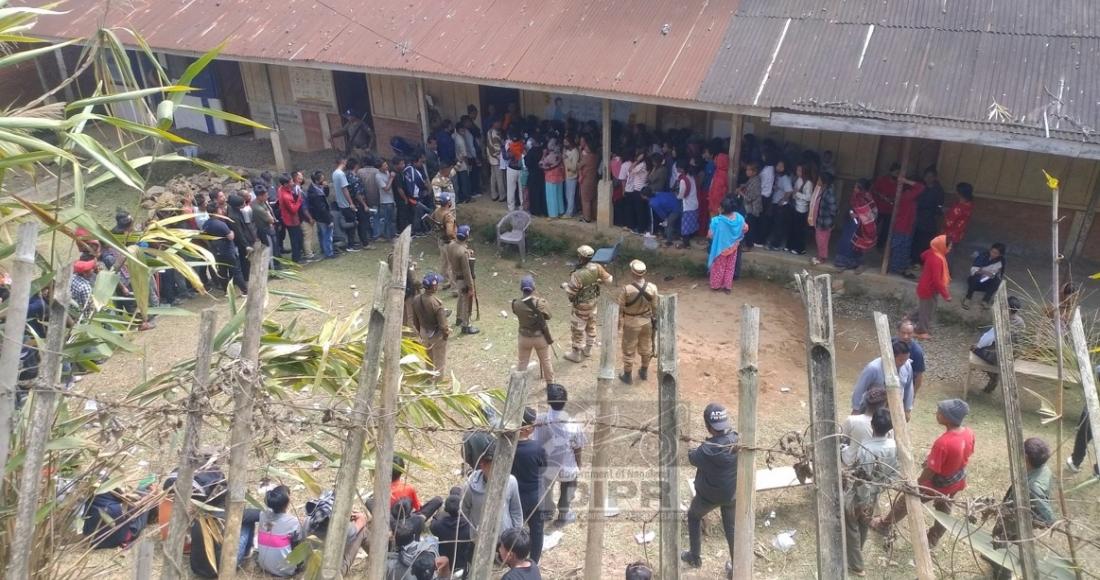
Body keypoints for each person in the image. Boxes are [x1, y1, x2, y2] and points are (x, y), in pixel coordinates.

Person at [874, 399, 974, 547]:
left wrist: (916, 484)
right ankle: (933, 538)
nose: (937, 413)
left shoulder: (943, 443)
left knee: (905, 500)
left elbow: (931, 471)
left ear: (947, 418)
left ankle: (884, 525)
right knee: (944, 508)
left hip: (938, 484)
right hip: (956, 481)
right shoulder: (968, 433)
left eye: (940, 412)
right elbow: (968, 453)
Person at [681, 403, 738, 573]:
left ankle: (695, 557)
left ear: (708, 426)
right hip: (732, 494)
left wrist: (689, 443)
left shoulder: (707, 450)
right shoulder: (737, 439)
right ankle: (737, 568)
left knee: (693, 515)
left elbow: (692, 457)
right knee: (731, 529)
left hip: (708, 497)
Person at [843, 408, 898, 577]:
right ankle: (857, 550)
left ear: (872, 425)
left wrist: (861, 503)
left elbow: (863, 479)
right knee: (864, 523)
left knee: (852, 523)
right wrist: (881, 486)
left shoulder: (866, 448)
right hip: (876, 492)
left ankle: (856, 565)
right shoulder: (894, 446)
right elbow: (895, 472)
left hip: (861, 494)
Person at [534, 383, 586, 526]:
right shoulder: (573, 425)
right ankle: (563, 514)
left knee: (545, 487)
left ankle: (546, 511)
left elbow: (536, 441)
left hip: (546, 466)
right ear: (565, 401)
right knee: (569, 486)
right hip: (566, 467)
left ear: (548, 401)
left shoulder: (541, 420)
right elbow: (578, 448)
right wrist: (578, 464)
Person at [561, 245, 613, 362]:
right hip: (593, 303)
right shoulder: (598, 267)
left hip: (581, 306)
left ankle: (576, 354)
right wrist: (597, 281)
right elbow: (609, 280)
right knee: (591, 325)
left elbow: (571, 293)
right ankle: (588, 350)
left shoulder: (577, 274)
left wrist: (565, 286)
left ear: (580, 257)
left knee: (577, 329)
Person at [460, 443, 524, 537]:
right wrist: (475, 530)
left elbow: (515, 510)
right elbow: (464, 511)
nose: (499, 473)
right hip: (480, 540)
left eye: (502, 468)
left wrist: (515, 534)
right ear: (483, 465)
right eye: (494, 469)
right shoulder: (470, 487)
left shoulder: (511, 482)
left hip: (505, 538)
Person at [301, 490, 370, 576]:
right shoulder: (340, 530)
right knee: (362, 531)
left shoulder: (307, 521)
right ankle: (378, 556)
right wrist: (359, 516)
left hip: (312, 571)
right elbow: (362, 521)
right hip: (332, 574)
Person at [511, 408, 548, 562]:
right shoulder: (537, 448)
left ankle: (515, 557)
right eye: (533, 424)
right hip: (535, 496)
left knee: (515, 529)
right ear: (526, 428)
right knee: (537, 530)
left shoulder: (508, 447)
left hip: (514, 496)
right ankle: (534, 560)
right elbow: (544, 468)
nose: (535, 427)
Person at [970, 296, 1025, 393]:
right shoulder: (1020, 321)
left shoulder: (1003, 321)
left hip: (1000, 356)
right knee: (988, 347)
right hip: (1013, 354)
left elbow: (988, 338)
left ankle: (993, 376)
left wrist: (977, 345)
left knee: (975, 349)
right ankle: (993, 376)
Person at [851, 340, 915, 421]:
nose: (904, 363)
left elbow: (909, 388)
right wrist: (856, 409)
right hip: (872, 409)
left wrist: (907, 409)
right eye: (901, 360)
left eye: (906, 359)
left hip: (894, 409)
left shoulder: (907, 365)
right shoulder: (873, 368)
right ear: (891, 357)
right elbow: (860, 389)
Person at [618, 260, 658, 384]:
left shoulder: (627, 290)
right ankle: (644, 371)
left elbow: (620, 307)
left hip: (631, 322)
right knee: (646, 348)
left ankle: (627, 375)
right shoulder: (652, 287)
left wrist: (619, 323)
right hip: (647, 322)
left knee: (628, 349)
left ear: (632, 273)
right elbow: (655, 306)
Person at [513, 275, 554, 384]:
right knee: (546, 361)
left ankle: (519, 385)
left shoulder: (515, 303)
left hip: (524, 337)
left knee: (522, 362)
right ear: (534, 288)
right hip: (540, 337)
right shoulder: (540, 303)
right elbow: (549, 316)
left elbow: (516, 313)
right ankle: (550, 384)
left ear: (521, 288)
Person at [910, 234, 952, 338]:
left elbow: (923, 255)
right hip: (929, 288)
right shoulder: (937, 259)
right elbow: (937, 280)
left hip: (925, 286)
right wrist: (946, 295)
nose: (950, 248)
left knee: (924, 307)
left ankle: (908, 319)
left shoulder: (932, 253)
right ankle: (921, 331)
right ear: (943, 246)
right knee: (927, 310)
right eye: (949, 246)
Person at [82, 488, 151, 549]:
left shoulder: (90, 506)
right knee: (144, 510)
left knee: (141, 494)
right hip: (118, 538)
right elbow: (133, 508)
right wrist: (148, 497)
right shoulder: (113, 509)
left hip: (95, 542)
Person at [256, 485, 301, 576]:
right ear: (287, 502)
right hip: (284, 571)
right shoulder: (292, 521)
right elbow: (297, 541)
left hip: (264, 565)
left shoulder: (262, 514)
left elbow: (271, 528)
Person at [833, 178, 878, 270]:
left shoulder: (867, 198)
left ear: (861, 188)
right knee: (846, 241)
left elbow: (873, 213)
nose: (854, 189)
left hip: (860, 226)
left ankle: (853, 262)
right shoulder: (855, 196)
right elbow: (851, 207)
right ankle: (842, 262)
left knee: (854, 243)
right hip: (851, 222)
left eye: (856, 187)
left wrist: (858, 216)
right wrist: (851, 212)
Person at [411, 273, 450, 379]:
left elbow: (415, 321)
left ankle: (428, 378)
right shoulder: (437, 303)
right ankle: (438, 382)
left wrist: (419, 333)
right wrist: (446, 335)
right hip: (437, 335)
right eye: (436, 284)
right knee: (439, 361)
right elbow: (443, 326)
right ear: (433, 287)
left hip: (424, 332)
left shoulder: (416, 299)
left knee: (428, 358)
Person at [707, 197, 748, 293]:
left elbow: (710, 234)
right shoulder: (739, 217)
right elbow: (745, 228)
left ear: (722, 209)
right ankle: (727, 287)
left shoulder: (717, 220)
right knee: (730, 267)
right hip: (734, 247)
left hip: (720, 249)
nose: (718, 209)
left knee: (719, 267)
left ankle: (716, 285)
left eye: (719, 207)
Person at [886, 175, 924, 276]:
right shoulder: (907, 196)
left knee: (903, 248)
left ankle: (900, 268)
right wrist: (906, 180)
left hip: (906, 227)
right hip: (902, 227)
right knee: (899, 248)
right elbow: (921, 187)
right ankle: (896, 268)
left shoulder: (907, 196)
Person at [840, 387, 888, 466]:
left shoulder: (852, 420)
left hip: (849, 461)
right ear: (883, 405)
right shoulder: (887, 425)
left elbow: (839, 437)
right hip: (872, 465)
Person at [445, 225, 479, 335]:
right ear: (466, 236)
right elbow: (467, 271)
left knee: (460, 298)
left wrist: (467, 251)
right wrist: (471, 287)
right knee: (466, 301)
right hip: (463, 278)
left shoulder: (451, 245)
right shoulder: (463, 252)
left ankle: (458, 318)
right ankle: (466, 325)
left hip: (455, 276)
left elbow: (458, 250)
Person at [431, 490, 473, 576]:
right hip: (462, 563)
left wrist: (439, 513)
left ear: (446, 509)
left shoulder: (438, 525)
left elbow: (432, 526)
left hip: (445, 562)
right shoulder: (469, 526)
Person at [911, 168, 945, 267]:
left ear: (935, 178)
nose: (928, 179)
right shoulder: (921, 186)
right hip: (918, 217)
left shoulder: (938, 190)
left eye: (930, 177)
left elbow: (939, 206)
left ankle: (921, 261)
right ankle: (914, 259)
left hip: (929, 219)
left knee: (925, 241)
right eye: (926, 176)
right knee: (916, 239)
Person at [332, 157, 363, 251]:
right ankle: (351, 245)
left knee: (349, 223)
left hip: (340, 203)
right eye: (345, 162)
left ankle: (351, 243)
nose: (346, 164)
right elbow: (345, 189)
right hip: (346, 204)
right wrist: (351, 203)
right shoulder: (341, 174)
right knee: (352, 223)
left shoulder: (334, 173)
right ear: (343, 161)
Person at [963, 243, 1006, 309]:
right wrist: (985, 272)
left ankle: (985, 301)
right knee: (976, 278)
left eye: (996, 253)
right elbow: (974, 270)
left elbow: (996, 273)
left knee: (997, 281)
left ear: (1000, 255)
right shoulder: (983, 256)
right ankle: (968, 298)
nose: (993, 254)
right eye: (992, 251)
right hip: (975, 281)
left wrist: (986, 272)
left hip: (986, 283)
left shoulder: (1001, 261)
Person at [808, 172, 838, 265]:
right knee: (819, 238)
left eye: (819, 179)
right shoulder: (823, 190)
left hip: (825, 222)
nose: (818, 181)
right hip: (820, 220)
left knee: (823, 240)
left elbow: (834, 208)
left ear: (824, 182)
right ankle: (820, 255)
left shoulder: (829, 193)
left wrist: (830, 219)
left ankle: (822, 258)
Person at [765, 159, 794, 251]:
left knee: (779, 225)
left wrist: (783, 200)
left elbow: (789, 191)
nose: (778, 168)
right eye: (778, 165)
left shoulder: (785, 178)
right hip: (775, 202)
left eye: (781, 166)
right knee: (775, 224)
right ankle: (773, 243)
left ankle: (776, 245)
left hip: (781, 205)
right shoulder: (778, 176)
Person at [787, 163, 815, 255]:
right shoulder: (799, 179)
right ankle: (790, 245)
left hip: (802, 208)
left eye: (799, 170)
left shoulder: (809, 183)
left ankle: (800, 249)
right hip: (795, 205)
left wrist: (797, 194)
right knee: (793, 228)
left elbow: (809, 197)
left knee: (800, 230)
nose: (797, 172)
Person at [429, 193, 457, 286]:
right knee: (452, 265)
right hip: (449, 242)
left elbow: (430, 220)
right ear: (448, 202)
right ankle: (455, 288)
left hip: (440, 240)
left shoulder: (437, 211)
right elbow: (449, 232)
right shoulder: (448, 215)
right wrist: (456, 239)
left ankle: (445, 282)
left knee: (444, 263)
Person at [871, 162, 901, 249]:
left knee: (886, 230)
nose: (897, 175)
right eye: (896, 172)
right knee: (873, 227)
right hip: (879, 208)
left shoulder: (899, 184)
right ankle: (868, 243)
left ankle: (880, 246)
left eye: (898, 173)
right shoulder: (882, 180)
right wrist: (882, 196)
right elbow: (874, 190)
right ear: (891, 172)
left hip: (890, 210)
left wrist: (894, 199)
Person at [276, 174, 304, 263]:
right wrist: (299, 199)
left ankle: (298, 256)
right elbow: (293, 209)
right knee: (295, 239)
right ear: (285, 184)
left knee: (297, 237)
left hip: (287, 218)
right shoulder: (286, 196)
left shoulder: (281, 189)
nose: (292, 183)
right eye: (291, 182)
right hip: (292, 220)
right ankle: (296, 259)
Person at [307, 170, 335, 259]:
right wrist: (329, 220)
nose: (324, 180)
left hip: (320, 216)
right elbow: (321, 208)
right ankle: (329, 253)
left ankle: (325, 250)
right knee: (327, 235)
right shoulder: (315, 193)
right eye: (322, 179)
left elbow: (325, 195)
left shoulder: (316, 188)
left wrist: (326, 187)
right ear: (316, 181)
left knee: (323, 234)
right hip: (322, 217)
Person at [676, 161, 701, 247]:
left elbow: (682, 194)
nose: (676, 169)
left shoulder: (683, 180)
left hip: (688, 204)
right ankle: (692, 237)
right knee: (692, 223)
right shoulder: (691, 176)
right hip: (694, 203)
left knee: (685, 225)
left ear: (681, 169)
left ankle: (685, 243)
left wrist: (677, 196)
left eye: (677, 168)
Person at [738, 161, 763, 249]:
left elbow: (750, 198)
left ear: (755, 172)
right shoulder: (752, 179)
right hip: (748, 207)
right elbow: (748, 185)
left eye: (749, 170)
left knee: (749, 227)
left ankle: (749, 245)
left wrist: (741, 193)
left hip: (751, 208)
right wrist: (743, 186)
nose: (747, 171)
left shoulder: (756, 181)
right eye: (747, 169)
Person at [541, 138, 565, 218]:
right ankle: (561, 211)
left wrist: (543, 155)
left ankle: (553, 214)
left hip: (550, 178)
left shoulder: (549, 157)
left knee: (551, 196)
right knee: (559, 195)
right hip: (559, 177)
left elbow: (541, 164)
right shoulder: (560, 154)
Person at [578, 136, 598, 222]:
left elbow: (578, 166)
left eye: (586, 146)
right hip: (593, 180)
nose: (585, 147)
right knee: (593, 199)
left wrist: (580, 152)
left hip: (586, 180)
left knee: (585, 200)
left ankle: (587, 218)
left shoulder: (587, 157)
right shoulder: (596, 156)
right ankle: (594, 216)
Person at [487, 118, 505, 201]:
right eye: (499, 122)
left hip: (491, 157)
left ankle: (494, 194)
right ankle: (502, 195)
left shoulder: (489, 131)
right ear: (495, 122)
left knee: (493, 177)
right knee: (499, 177)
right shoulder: (495, 133)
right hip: (496, 158)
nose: (500, 124)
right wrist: (500, 158)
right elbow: (497, 148)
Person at [563, 137, 580, 217]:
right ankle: (572, 210)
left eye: (566, 142)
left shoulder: (575, 152)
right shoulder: (567, 151)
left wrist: (566, 159)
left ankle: (569, 213)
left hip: (572, 176)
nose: (564, 144)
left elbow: (574, 167)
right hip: (566, 175)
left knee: (571, 195)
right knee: (567, 194)